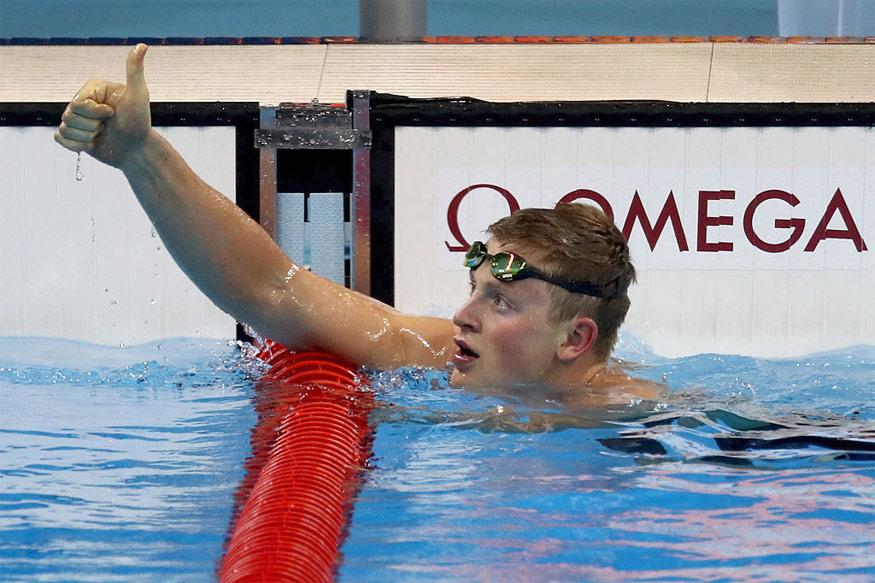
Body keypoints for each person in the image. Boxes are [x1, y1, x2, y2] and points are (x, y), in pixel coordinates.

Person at [55, 44, 659, 408]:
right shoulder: (429, 353)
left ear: (575, 340)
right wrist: (140, 154)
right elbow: (272, 288)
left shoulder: (647, 424)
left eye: (500, 303)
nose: (461, 315)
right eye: (474, 289)